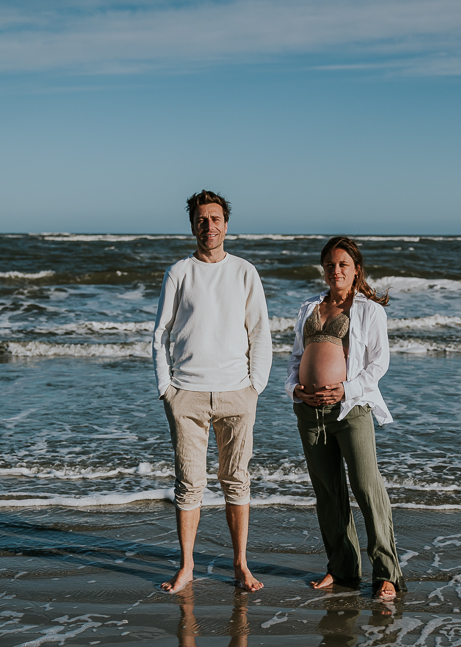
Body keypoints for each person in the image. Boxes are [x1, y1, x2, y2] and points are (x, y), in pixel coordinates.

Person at [153, 190, 272, 593]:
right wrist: (165, 388)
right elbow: (160, 334)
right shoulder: (179, 272)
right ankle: (186, 567)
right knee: (189, 484)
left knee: (236, 480)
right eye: (202, 219)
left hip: (237, 393)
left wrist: (256, 386)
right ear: (192, 225)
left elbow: (260, 332)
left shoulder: (244, 272)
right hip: (186, 394)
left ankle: (240, 565)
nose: (209, 226)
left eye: (216, 218)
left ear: (226, 224)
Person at [285, 236, 405, 600]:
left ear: (356, 270)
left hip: (351, 410)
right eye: (330, 265)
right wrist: (295, 389)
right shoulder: (309, 308)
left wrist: (345, 390)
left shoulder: (369, 309)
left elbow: (378, 364)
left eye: (343, 265)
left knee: (368, 488)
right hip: (309, 412)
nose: (335, 271)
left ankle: (387, 574)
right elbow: (294, 358)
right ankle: (342, 570)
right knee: (327, 492)